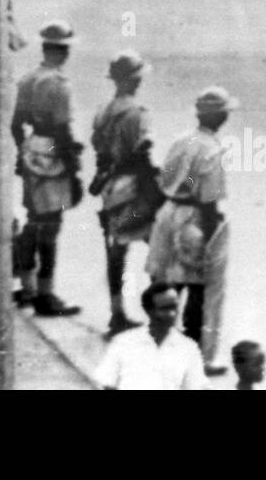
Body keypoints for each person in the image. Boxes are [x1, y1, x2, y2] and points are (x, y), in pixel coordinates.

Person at [146, 86, 236, 377]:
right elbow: (209, 202)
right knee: (199, 286)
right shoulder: (212, 149)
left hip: (168, 212)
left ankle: (160, 349)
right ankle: (195, 357)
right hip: (194, 216)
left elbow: (163, 180)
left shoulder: (181, 140)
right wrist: (210, 241)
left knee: (167, 282)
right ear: (220, 116)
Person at [12, 21, 84, 317]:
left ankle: (27, 287)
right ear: (64, 51)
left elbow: (15, 124)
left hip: (32, 149)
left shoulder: (28, 79)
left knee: (33, 221)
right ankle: (46, 293)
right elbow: (63, 130)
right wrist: (74, 168)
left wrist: (22, 151)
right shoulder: (59, 85)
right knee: (51, 228)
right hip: (53, 153)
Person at [90, 50, 162, 336]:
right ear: (134, 81)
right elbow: (142, 154)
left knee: (116, 252)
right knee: (157, 246)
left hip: (110, 187)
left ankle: (116, 312)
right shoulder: (138, 114)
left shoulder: (103, 111)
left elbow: (99, 148)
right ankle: (159, 311)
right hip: (134, 190)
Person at [93, 283, 208, 390]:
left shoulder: (188, 348)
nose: (173, 313)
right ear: (149, 311)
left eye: (174, 307)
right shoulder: (123, 343)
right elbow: (107, 384)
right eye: (165, 308)